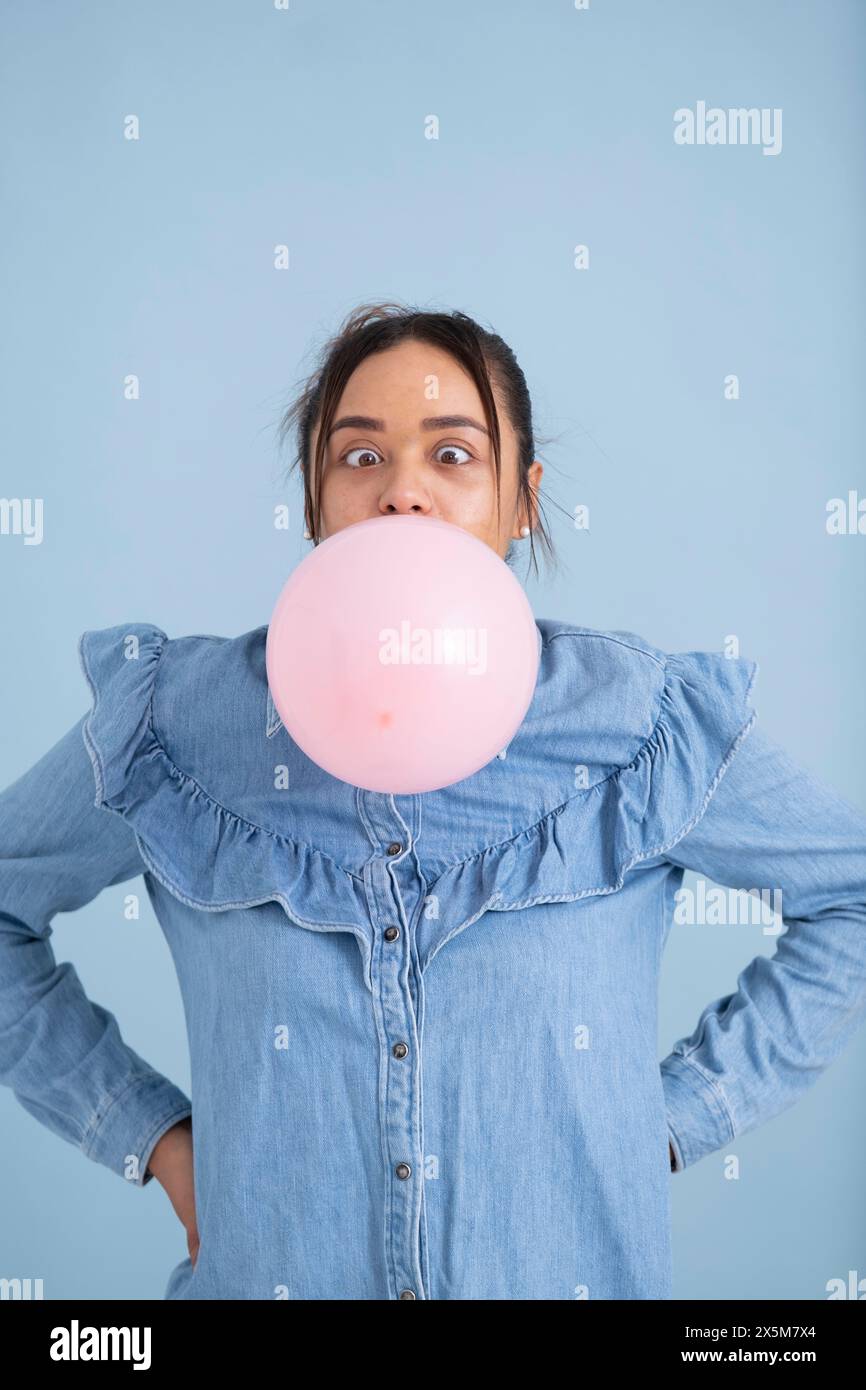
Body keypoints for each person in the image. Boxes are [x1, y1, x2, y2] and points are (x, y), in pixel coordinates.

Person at [1, 302, 865, 1300]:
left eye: (452, 455)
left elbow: (848, 894)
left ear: (521, 499)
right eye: (357, 458)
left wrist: (670, 1117)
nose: (401, 493)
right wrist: (146, 1131)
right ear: (316, 504)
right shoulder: (183, 720)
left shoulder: (636, 719)